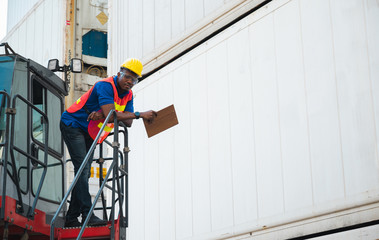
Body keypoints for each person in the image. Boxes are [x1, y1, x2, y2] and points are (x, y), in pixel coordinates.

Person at [60, 58, 156, 227]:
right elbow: (114, 116)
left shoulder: (129, 95)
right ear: (119, 73)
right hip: (73, 123)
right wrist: (138, 114)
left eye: (134, 79)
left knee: (84, 172)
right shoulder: (104, 85)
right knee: (82, 169)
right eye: (127, 76)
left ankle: (72, 218)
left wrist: (106, 114)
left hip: (90, 131)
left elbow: (128, 122)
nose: (129, 81)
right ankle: (87, 214)